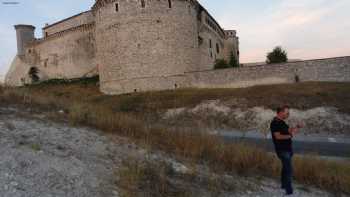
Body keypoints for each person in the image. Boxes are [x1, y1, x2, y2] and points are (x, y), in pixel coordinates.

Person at [270, 105, 303, 196]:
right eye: (287, 112)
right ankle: (289, 192)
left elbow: (290, 130)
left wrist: (297, 127)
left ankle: (283, 186)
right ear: (280, 112)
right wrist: (290, 136)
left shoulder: (282, 122)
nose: (288, 114)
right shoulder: (275, 123)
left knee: (285, 169)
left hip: (288, 149)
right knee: (289, 170)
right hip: (282, 150)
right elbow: (278, 136)